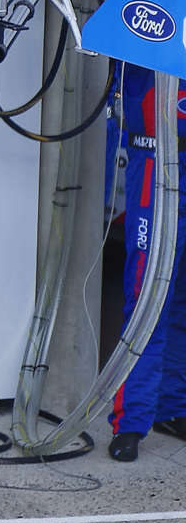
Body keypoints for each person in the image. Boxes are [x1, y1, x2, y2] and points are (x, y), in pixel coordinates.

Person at [109, 64, 186, 461]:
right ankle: (131, 421)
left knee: (182, 299)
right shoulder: (143, 20)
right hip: (156, 160)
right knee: (147, 297)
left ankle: (172, 407)